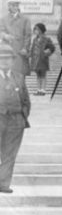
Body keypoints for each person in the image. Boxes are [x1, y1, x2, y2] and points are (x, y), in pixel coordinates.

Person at [0, 44, 30, 193]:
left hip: (16, 122)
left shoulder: (19, 77)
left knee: (10, 153)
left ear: (13, 61)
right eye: (2, 59)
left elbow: (26, 100)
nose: (5, 62)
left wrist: (22, 115)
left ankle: (3, 184)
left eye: (8, 59)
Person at [0, 0, 31, 75]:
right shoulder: (4, 19)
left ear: (18, 7)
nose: (14, 7)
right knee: (8, 72)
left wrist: (25, 48)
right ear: (9, 7)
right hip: (8, 50)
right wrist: (5, 35)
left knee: (20, 73)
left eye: (16, 5)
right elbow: (1, 31)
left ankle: (20, 86)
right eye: (12, 5)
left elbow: (28, 35)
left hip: (20, 49)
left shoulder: (25, 19)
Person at [29, 23, 55, 95]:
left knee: (43, 75)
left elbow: (52, 47)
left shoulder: (47, 39)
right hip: (35, 60)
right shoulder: (35, 39)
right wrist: (29, 55)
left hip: (43, 60)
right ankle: (38, 90)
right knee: (38, 75)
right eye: (34, 29)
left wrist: (47, 51)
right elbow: (32, 49)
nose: (35, 31)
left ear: (40, 30)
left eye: (36, 29)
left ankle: (43, 90)